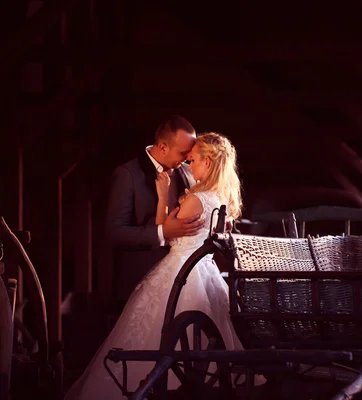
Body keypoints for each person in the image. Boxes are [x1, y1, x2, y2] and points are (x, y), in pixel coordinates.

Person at [65, 132, 245, 399]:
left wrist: (163, 197)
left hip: (180, 268)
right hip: (205, 271)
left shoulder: (197, 198)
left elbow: (168, 232)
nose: (188, 164)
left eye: (193, 159)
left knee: (156, 329)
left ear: (208, 163)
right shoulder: (220, 199)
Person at [105, 115, 203, 307]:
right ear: (163, 147)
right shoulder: (127, 175)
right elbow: (114, 233)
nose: (189, 158)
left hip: (184, 283)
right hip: (141, 281)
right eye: (184, 153)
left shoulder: (191, 173)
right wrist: (162, 232)